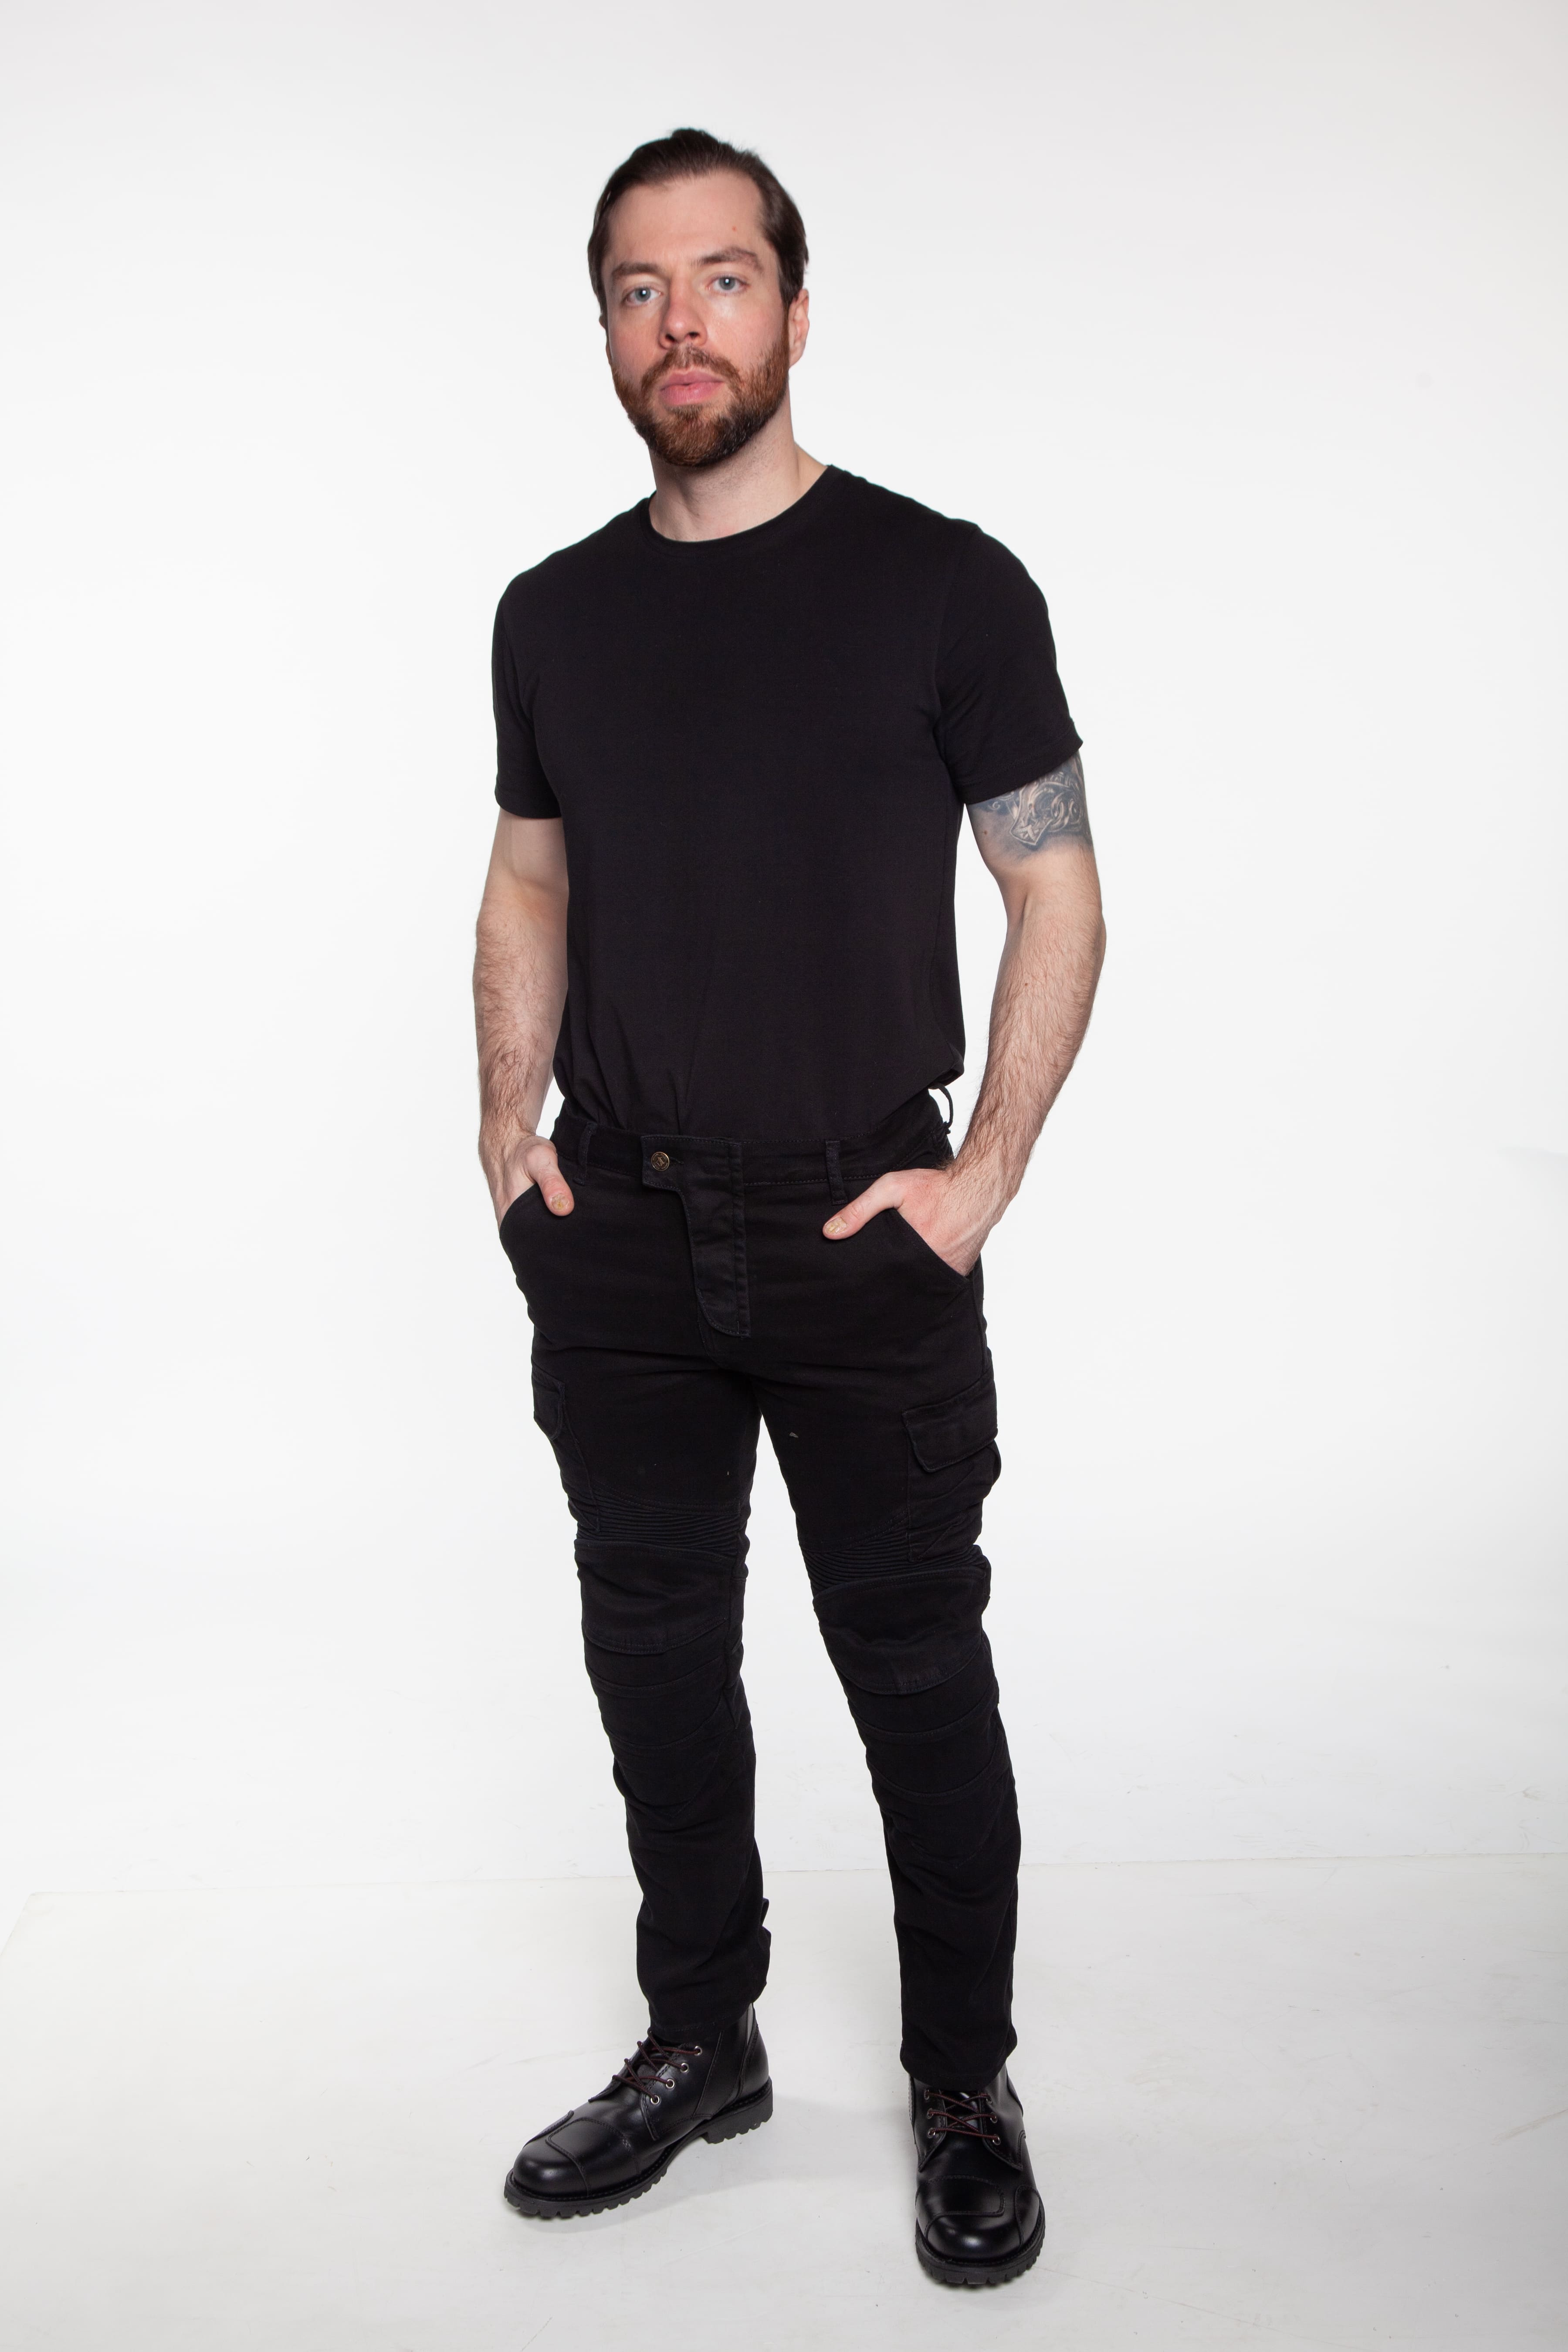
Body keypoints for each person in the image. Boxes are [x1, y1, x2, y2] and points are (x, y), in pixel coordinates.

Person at [474, 127, 1104, 2289]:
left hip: (861, 1225)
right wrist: (506, 1132)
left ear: (798, 311)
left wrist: (984, 1171)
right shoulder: (551, 615)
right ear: (607, 331)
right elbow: (529, 876)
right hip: (621, 1234)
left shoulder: (946, 586)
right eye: (639, 290)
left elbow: (1056, 887)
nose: (683, 325)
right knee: (654, 1654)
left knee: (916, 1669)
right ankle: (701, 2041)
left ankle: (963, 2084)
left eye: (723, 280)